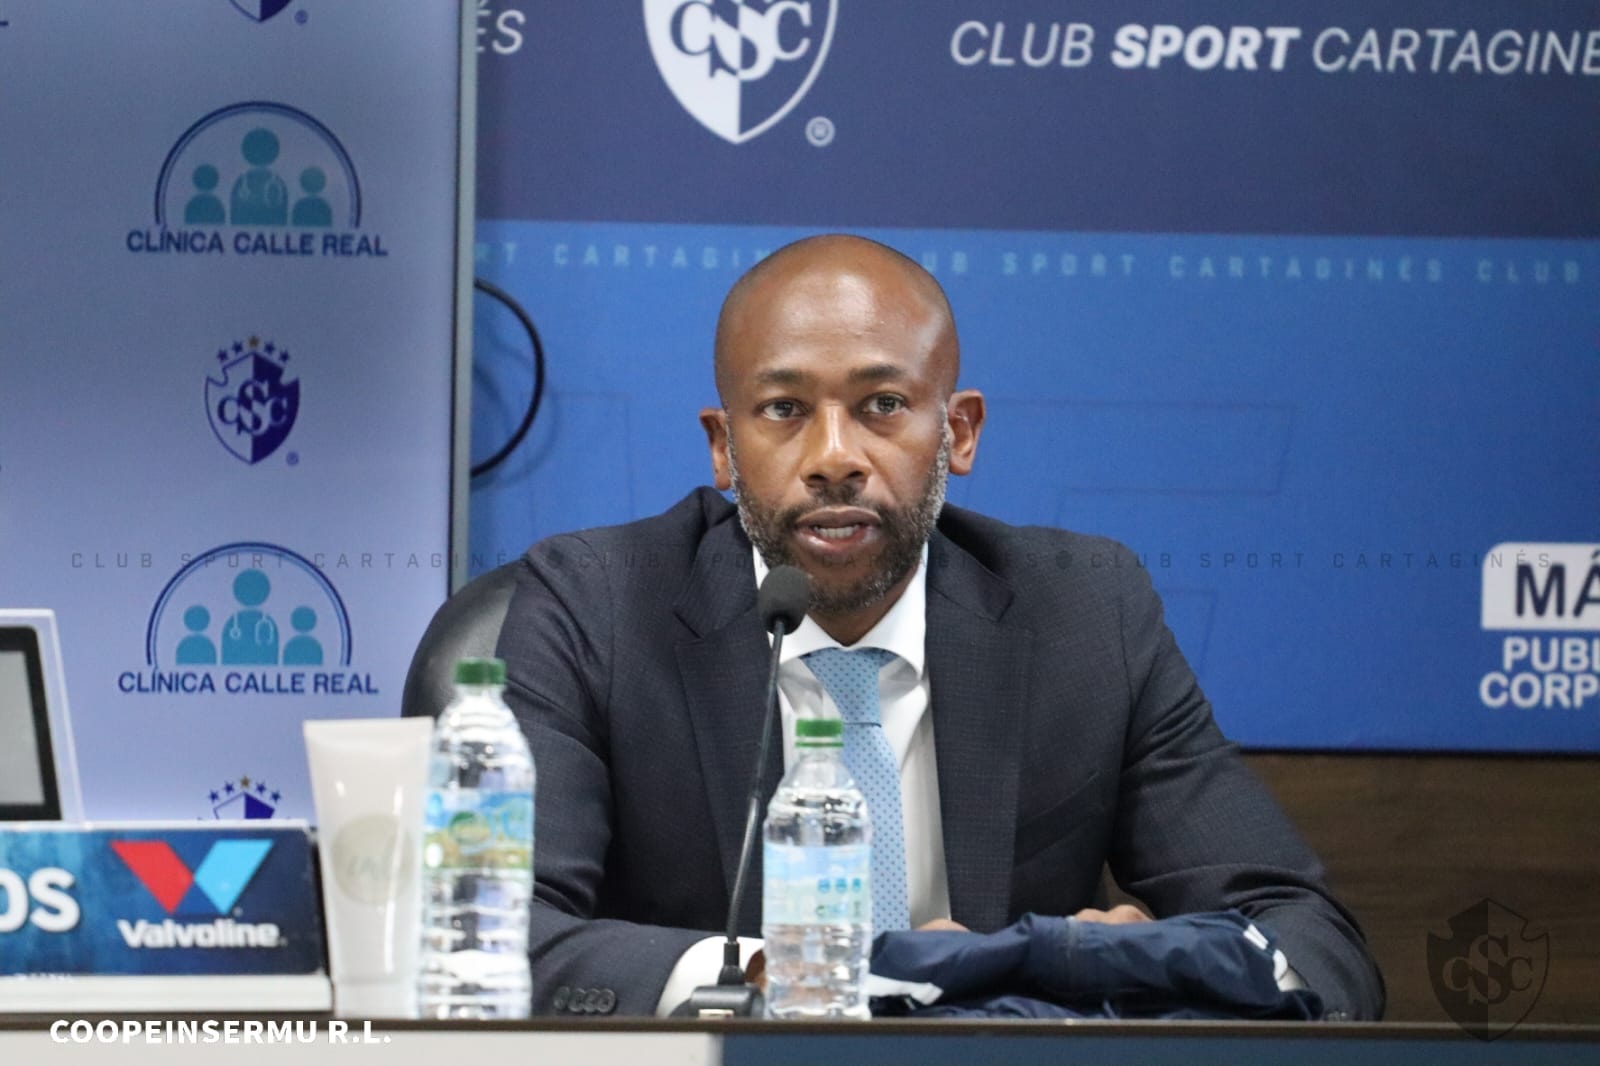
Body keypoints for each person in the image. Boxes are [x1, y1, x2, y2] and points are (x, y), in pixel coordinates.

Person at [494, 234, 1384, 1020]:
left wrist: (1142, 963)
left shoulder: (1086, 613)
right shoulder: (597, 608)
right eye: (785, 410)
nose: (834, 457)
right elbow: (492, 934)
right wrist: (794, 978)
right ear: (724, 447)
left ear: (957, 431)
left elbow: (1311, 942)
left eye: (882, 404)